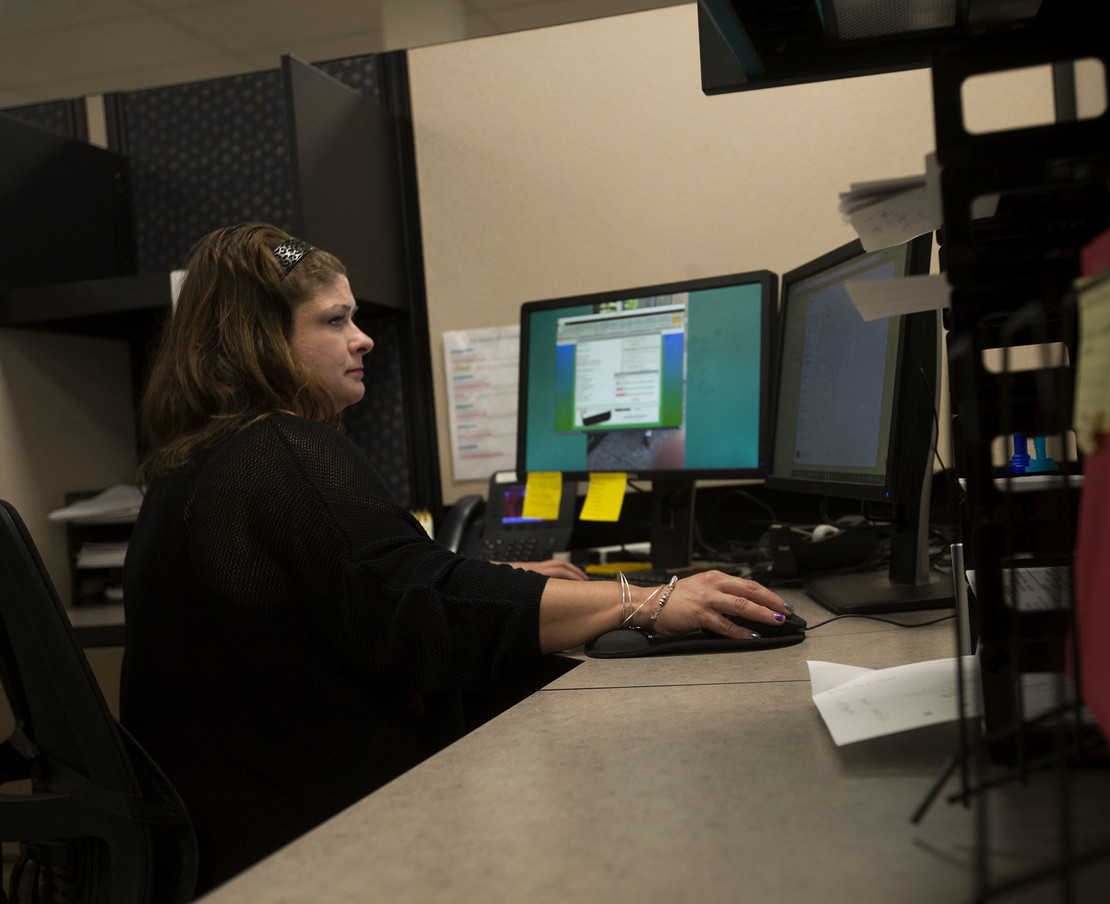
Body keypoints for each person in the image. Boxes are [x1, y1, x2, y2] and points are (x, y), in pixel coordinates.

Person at [119, 222, 792, 895]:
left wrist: (500, 579)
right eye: (335, 319)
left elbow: (369, 587)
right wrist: (642, 599)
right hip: (308, 846)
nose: (363, 338)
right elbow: (421, 609)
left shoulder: (194, 463)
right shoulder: (282, 449)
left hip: (229, 831)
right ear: (259, 340)